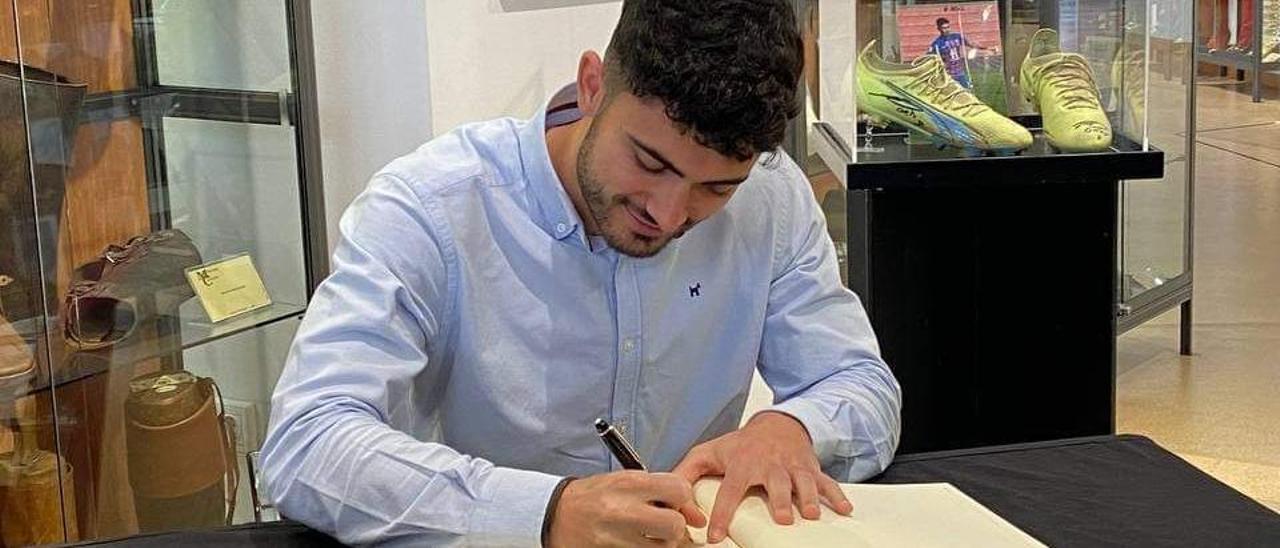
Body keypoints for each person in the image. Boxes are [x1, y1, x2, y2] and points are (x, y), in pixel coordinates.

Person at [260, 1, 901, 546]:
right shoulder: (433, 207)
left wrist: (791, 428)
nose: (668, 213)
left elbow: (861, 383)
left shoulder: (772, 197)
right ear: (592, 83)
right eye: (649, 162)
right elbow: (306, 444)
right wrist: (546, 515)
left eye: (715, 189)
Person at [926, 17, 994, 89]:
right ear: (939, 29)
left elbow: (971, 44)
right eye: (944, 28)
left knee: (967, 89)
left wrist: (986, 48)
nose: (947, 30)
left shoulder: (957, 37)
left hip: (959, 70)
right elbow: (929, 56)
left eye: (948, 27)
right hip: (948, 73)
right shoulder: (937, 43)